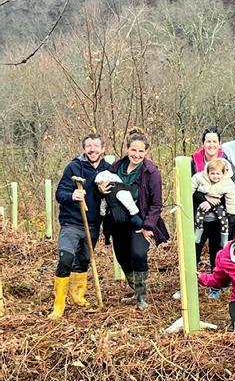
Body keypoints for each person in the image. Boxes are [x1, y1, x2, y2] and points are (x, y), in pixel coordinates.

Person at [103, 131, 170, 310]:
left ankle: (141, 296)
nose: (137, 155)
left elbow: (156, 204)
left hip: (140, 222)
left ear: (147, 151)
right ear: (127, 149)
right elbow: (102, 192)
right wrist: (100, 190)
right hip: (117, 221)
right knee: (122, 257)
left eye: (141, 151)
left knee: (138, 254)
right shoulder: (115, 168)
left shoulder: (151, 172)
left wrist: (148, 225)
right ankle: (134, 290)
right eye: (134, 150)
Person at [49, 133, 110, 320]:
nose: (92, 149)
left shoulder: (107, 169)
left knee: (83, 260)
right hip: (71, 222)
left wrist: (102, 192)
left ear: (102, 148)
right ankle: (58, 304)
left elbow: (111, 196)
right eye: (89, 146)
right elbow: (60, 193)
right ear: (84, 149)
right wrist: (72, 195)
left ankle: (78, 296)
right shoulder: (74, 167)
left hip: (92, 224)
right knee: (66, 258)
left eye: (96, 146)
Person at [191, 127, 235, 299]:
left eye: (214, 141)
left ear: (219, 144)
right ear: (203, 143)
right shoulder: (193, 161)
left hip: (220, 218)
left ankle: (217, 285)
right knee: (193, 248)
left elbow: (234, 190)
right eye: (208, 141)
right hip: (198, 215)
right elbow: (189, 187)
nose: (211, 145)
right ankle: (189, 283)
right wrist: (204, 198)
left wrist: (216, 201)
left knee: (217, 251)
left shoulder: (227, 165)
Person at [191, 158, 235, 249]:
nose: (215, 176)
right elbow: (191, 186)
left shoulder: (227, 183)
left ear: (223, 173)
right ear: (207, 172)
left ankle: (224, 238)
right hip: (203, 206)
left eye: (218, 174)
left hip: (218, 207)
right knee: (199, 215)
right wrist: (203, 198)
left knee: (224, 219)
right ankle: (198, 233)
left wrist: (232, 212)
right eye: (212, 173)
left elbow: (232, 196)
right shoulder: (201, 178)